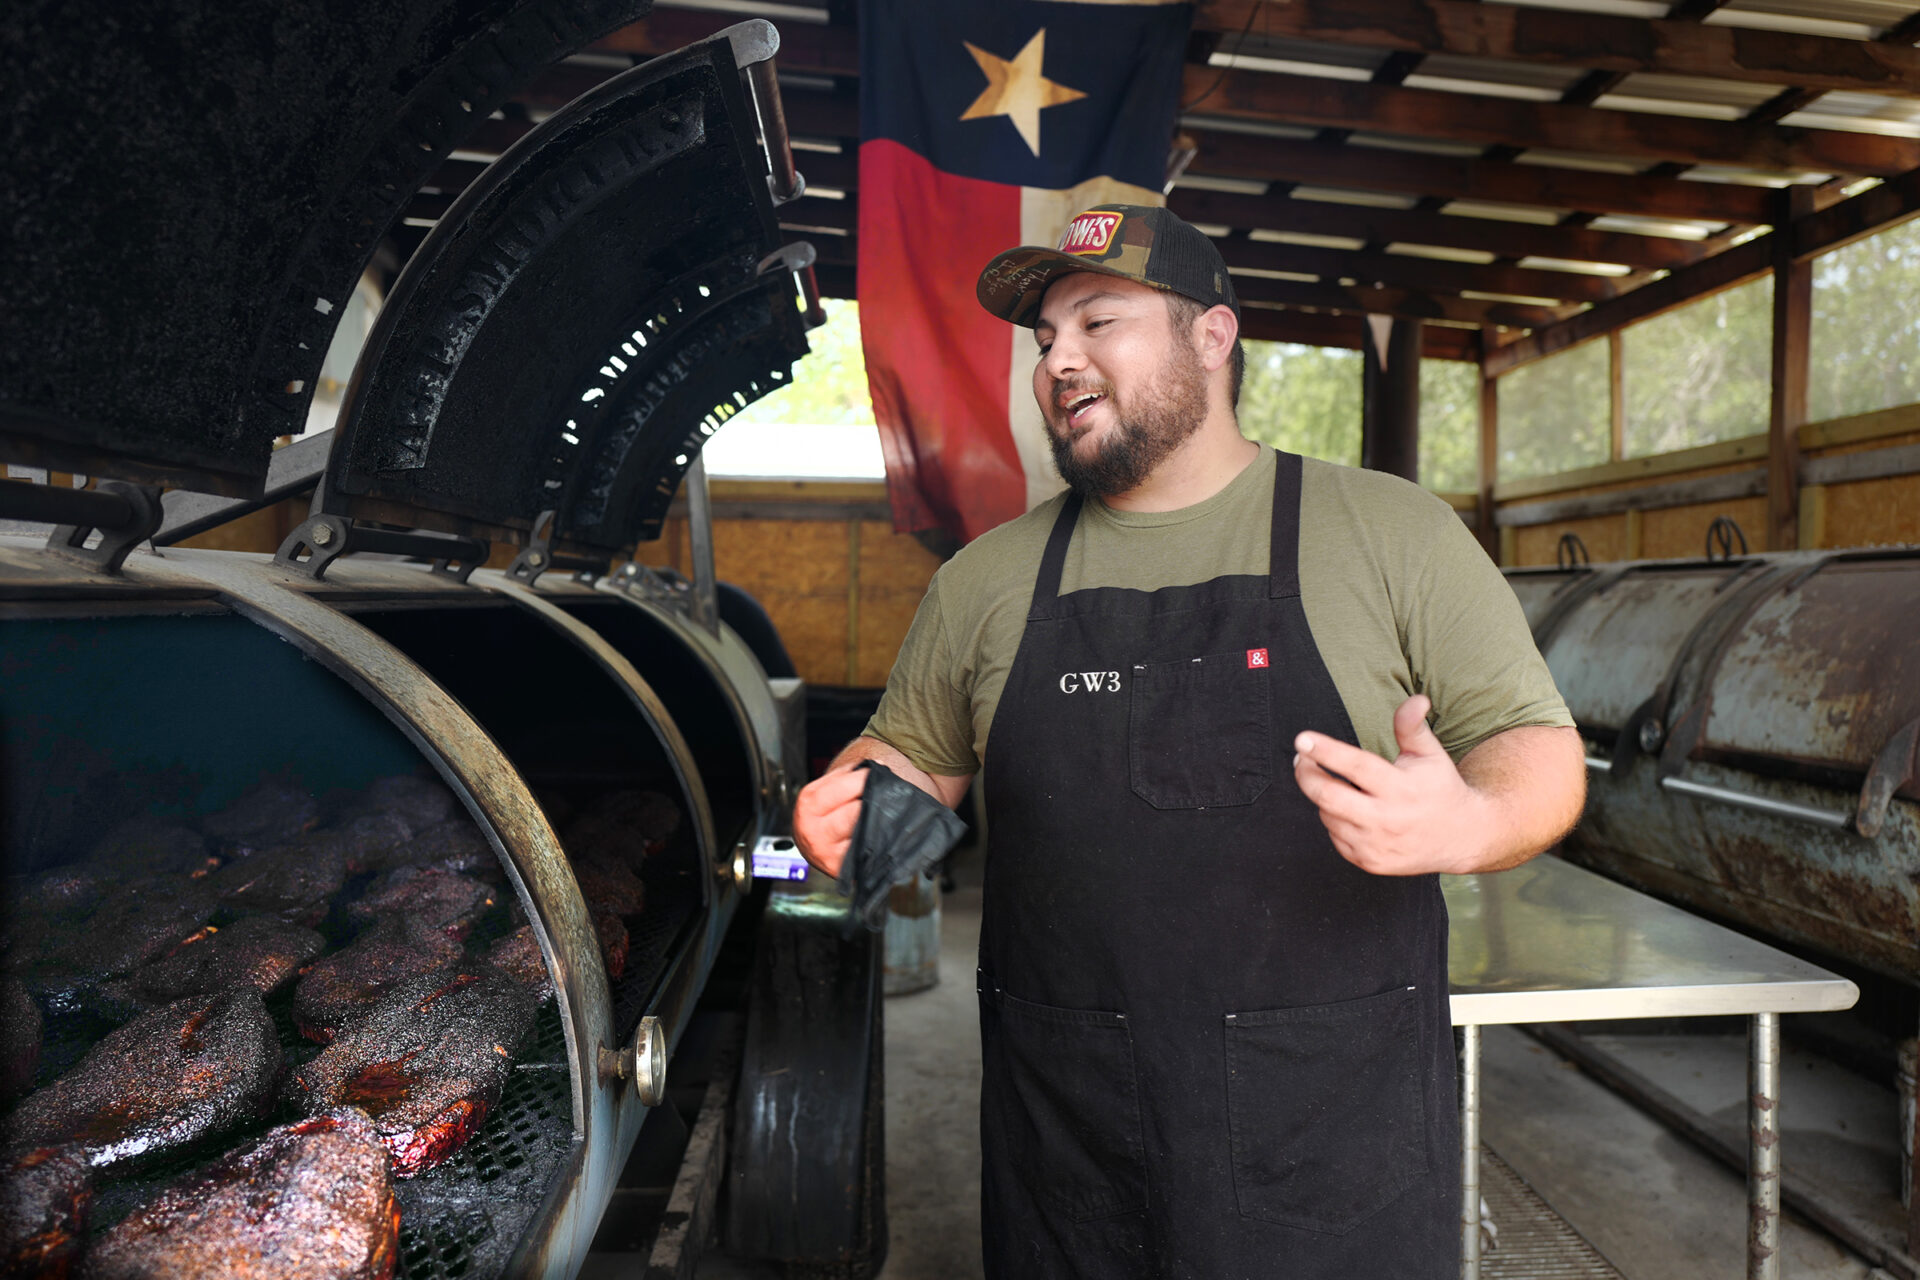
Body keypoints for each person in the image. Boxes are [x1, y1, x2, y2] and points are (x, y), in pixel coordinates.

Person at [792, 204, 1586, 1279]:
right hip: (1072, 1129)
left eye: (1098, 322)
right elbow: (911, 764)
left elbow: (1537, 752)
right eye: (1042, 342)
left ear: (1212, 337)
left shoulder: (1389, 531)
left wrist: (1473, 816)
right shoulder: (985, 579)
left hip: (1327, 1132)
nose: (1058, 362)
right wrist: (848, 805)